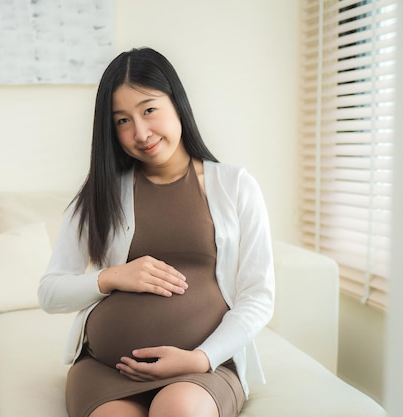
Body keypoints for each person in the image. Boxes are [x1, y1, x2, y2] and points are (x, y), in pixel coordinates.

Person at [38, 47, 275, 417]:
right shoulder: (100, 196)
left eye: (149, 110)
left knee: (178, 410)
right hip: (107, 370)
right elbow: (50, 293)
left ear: (176, 102)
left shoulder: (235, 186)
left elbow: (258, 296)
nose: (140, 132)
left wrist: (200, 359)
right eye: (122, 121)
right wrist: (112, 277)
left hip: (201, 369)